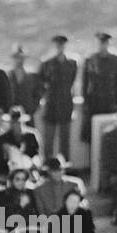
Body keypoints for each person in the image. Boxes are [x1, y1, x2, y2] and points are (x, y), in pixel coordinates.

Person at [40, 34, 78, 167]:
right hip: (51, 105)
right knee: (48, 140)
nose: (60, 47)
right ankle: (47, 167)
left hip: (66, 104)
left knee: (65, 140)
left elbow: (72, 82)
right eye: (58, 44)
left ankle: (64, 167)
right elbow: (42, 83)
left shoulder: (72, 63)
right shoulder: (47, 63)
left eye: (62, 45)